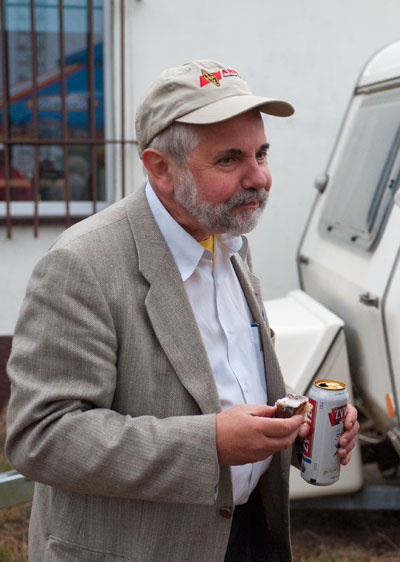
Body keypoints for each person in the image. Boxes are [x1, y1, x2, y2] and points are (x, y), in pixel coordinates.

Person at [4, 59, 360, 562]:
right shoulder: (82, 264)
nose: (260, 178)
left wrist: (296, 422)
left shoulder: (227, 238)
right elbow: (42, 436)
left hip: (247, 535)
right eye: (230, 160)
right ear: (160, 168)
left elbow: (228, 383)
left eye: (261, 153)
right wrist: (210, 444)